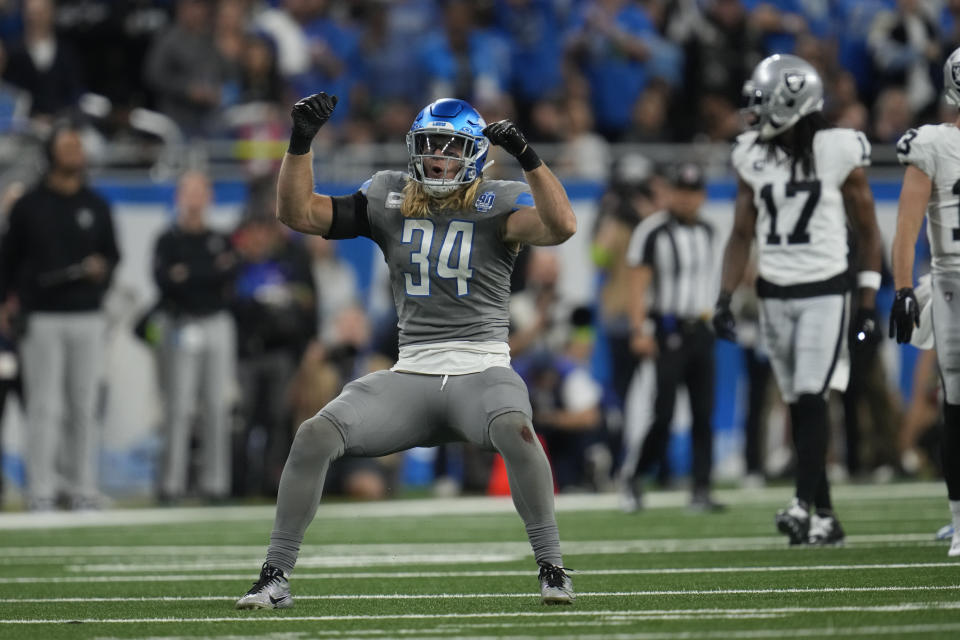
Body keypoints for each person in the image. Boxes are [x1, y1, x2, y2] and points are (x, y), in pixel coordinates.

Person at [235, 92, 577, 608]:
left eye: (451, 146)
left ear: (476, 156)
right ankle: (274, 575)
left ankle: (552, 566)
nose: (439, 157)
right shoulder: (388, 196)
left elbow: (562, 226)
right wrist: (300, 142)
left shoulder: (497, 200)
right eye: (430, 145)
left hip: (481, 368)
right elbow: (298, 213)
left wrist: (529, 156)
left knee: (516, 428)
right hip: (411, 371)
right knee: (314, 435)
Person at [713, 54, 883, 546]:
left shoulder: (838, 148)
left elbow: (868, 229)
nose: (752, 114)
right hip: (772, 292)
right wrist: (724, 295)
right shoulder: (752, 153)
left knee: (812, 397)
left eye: (762, 103)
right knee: (797, 402)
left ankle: (801, 504)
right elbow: (742, 232)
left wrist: (867, 300)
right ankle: (827, 518)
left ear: (792, 104)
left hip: (825, 289)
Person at [0, 123, 120, 510]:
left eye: (78, 145)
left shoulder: (96, 205)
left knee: (82, 405)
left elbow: (113, 254)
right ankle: (40, 490)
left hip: (86, 312)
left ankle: (81, 486)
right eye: (67, 145)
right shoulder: (28, 205)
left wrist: (103, 269)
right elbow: (8, 261)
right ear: (51, 152)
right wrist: (5, 304)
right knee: (42, 405)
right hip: (41, 316)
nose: (74, 152)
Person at [619, 162, 723, 512]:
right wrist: (639, 329)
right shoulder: (653, 231)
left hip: (702, 329)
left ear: (703, 196)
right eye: (681, 191)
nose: (687, 199)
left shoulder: (709, 230)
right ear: (671, 193)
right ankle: (634, 479)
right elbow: (638, 284)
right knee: (662, 413)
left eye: (694, 192)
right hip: (667, 329)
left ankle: (701, 488)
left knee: (703, 413)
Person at [889, 45, 960, 557]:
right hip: (954, 282)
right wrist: (900, 286)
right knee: (955, 407)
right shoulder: (933, 143)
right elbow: (908, 226)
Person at [152, 171, 238, 503]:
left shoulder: (219, 238)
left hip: (217, 321)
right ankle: (171, 484)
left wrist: (188, 274)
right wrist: (206, 273)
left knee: (217, 405)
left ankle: (216, 484)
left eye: (199, 191)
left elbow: (229, 274)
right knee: (178, 406)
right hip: (180, 323)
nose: (194, 198)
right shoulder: (168, 239)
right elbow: (164, 280)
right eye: (188, 191)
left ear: (209, 197)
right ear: (178, 197)